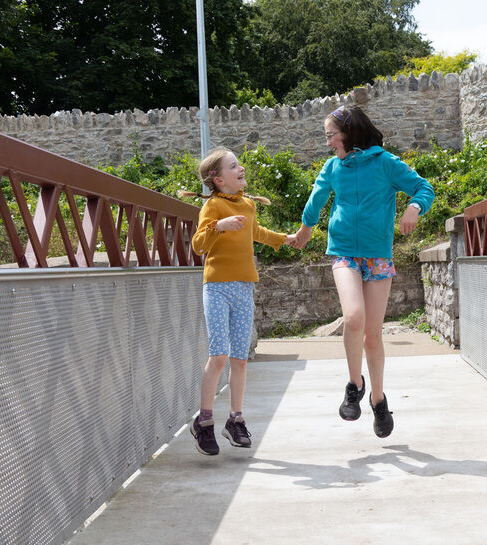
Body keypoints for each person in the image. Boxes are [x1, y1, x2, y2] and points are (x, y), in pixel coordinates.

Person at [289, 104, 435, 438]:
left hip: (378, 256)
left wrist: (414, 207)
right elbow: (317, 197)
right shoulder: (332, 167)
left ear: (349, 133)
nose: (328, 143)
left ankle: (378, 399)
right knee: (353, 318)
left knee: (372, 335)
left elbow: (424, 188)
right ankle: (354, 385)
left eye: (331, 135)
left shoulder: (385, 163)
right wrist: (305, 229)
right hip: (344, 252)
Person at [186, 148, 296, 455]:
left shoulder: (247, 204)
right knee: (219, 355)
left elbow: (255, 232)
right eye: (234, 166)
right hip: (217, 287)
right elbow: (198, 244)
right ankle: (204, 421)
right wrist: (219, 227)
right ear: (218, 180)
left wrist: (284, 239)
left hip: (244, 286)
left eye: (239, 164)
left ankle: (235, 420)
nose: (241, 168)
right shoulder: (213, 205)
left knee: (239, 358)